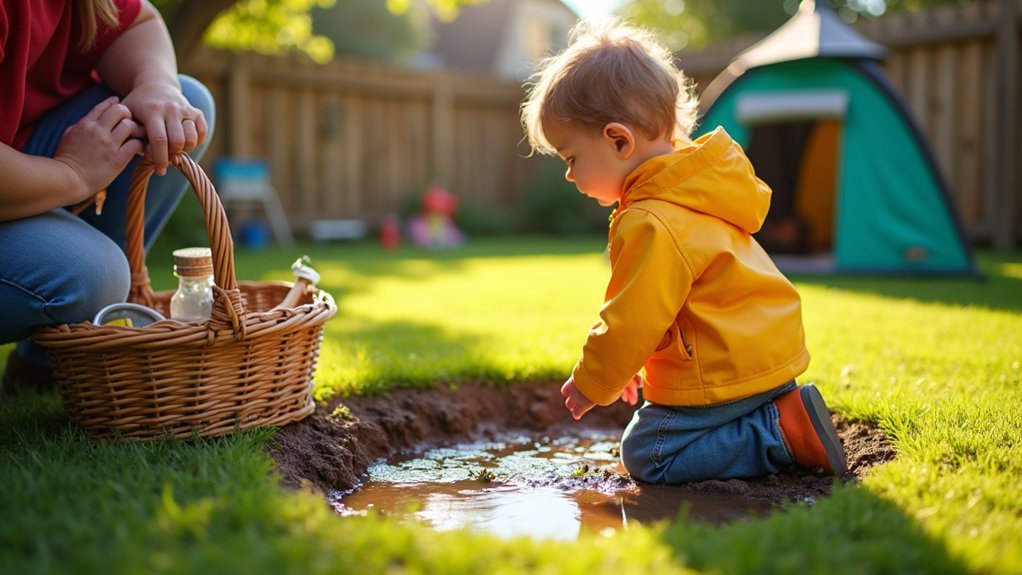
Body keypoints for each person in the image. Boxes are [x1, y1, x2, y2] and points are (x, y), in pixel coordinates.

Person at [520, 20, 846, 483]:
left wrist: (597, 379)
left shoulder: (650, 218)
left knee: (648, 453)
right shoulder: (696, 189)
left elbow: (633, 316)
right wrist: (631, 364)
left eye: (571, 158)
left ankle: (778, 432)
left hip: (723, 370)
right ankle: (778, 410)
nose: (569, 175)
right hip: (764, 355)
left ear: (618, 140)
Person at [0, 0, 216, 392]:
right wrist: (72, 174)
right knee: (94, 274)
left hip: (21, 146)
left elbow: (136, 19)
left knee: (183, 104)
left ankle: (44, 366)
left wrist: (156, 84)